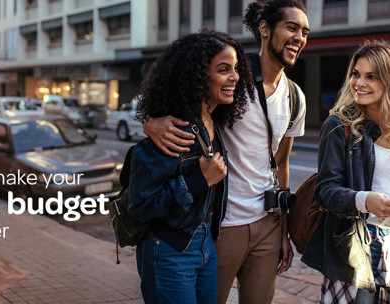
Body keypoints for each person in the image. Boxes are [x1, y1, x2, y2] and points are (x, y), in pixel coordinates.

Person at [143, 1, 309, 303]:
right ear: (265, 29)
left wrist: (283, 230)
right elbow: (178, 97)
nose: (299, 37)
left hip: (268, 225)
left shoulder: (296, 97)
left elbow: (281, 164)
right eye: (292, 27)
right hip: (223, 225)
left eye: (305, 32)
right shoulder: (233, 77)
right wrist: (150, 122)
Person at [128, 30, 255, 303]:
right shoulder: (174, 128)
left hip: (205, 242)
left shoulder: (213, 120)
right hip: (171, 247)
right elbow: (141, 204)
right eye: (224, 69)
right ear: (197, 76)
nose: (234, 77)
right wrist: (199, 180)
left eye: (235, 69)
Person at [301, 40, 390, 303]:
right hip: (356, 244)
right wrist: (365, 201)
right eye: (356, 74)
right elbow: (326, 191)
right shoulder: (339, 125)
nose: (359, 83)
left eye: (371, 76)